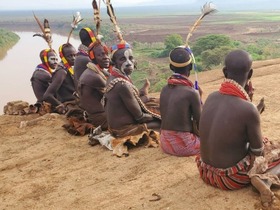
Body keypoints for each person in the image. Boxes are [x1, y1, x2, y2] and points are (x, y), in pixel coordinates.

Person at [196, 49, 280, 207]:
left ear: (224, 72)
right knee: (271, 149)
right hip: (231, 178)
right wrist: (254, 112)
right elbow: (257, 152)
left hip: (206, 172)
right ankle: (263, 180)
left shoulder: (212, 97)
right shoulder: (248, 109)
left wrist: (254, 110)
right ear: (250, 74)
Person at [104, 43, 161, 138]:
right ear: (114, 62)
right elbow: (140, 117)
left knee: (154, 104)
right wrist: (158, 116)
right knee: (163, 123)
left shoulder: (114, 76)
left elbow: (130, 100)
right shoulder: (122, 84)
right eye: (122, 59)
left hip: (116, 127)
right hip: (124, 130)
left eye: (130, 58)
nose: (128, 63)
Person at [159, 47, 201, 157]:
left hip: (164, 143)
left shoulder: (164, 89)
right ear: (191, 67)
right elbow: (200, 122)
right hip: (184, 146)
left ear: (171, 67)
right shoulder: (192, 92)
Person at [78, 40, 110, 130]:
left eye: (107, 54)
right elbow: (115, 94)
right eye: (101, 55)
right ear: (92, 57)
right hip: (100, 120)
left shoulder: (95, 70)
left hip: (97, 116)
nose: (106, 58)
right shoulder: (94, 76)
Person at [43, 43, 77, 114]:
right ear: (63, 57)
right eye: (69, 56)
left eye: (75, 55)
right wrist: (61, 105)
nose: (73, 58)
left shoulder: (69, 69)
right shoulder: (62, 72)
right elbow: (47, 95)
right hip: (69, 104)